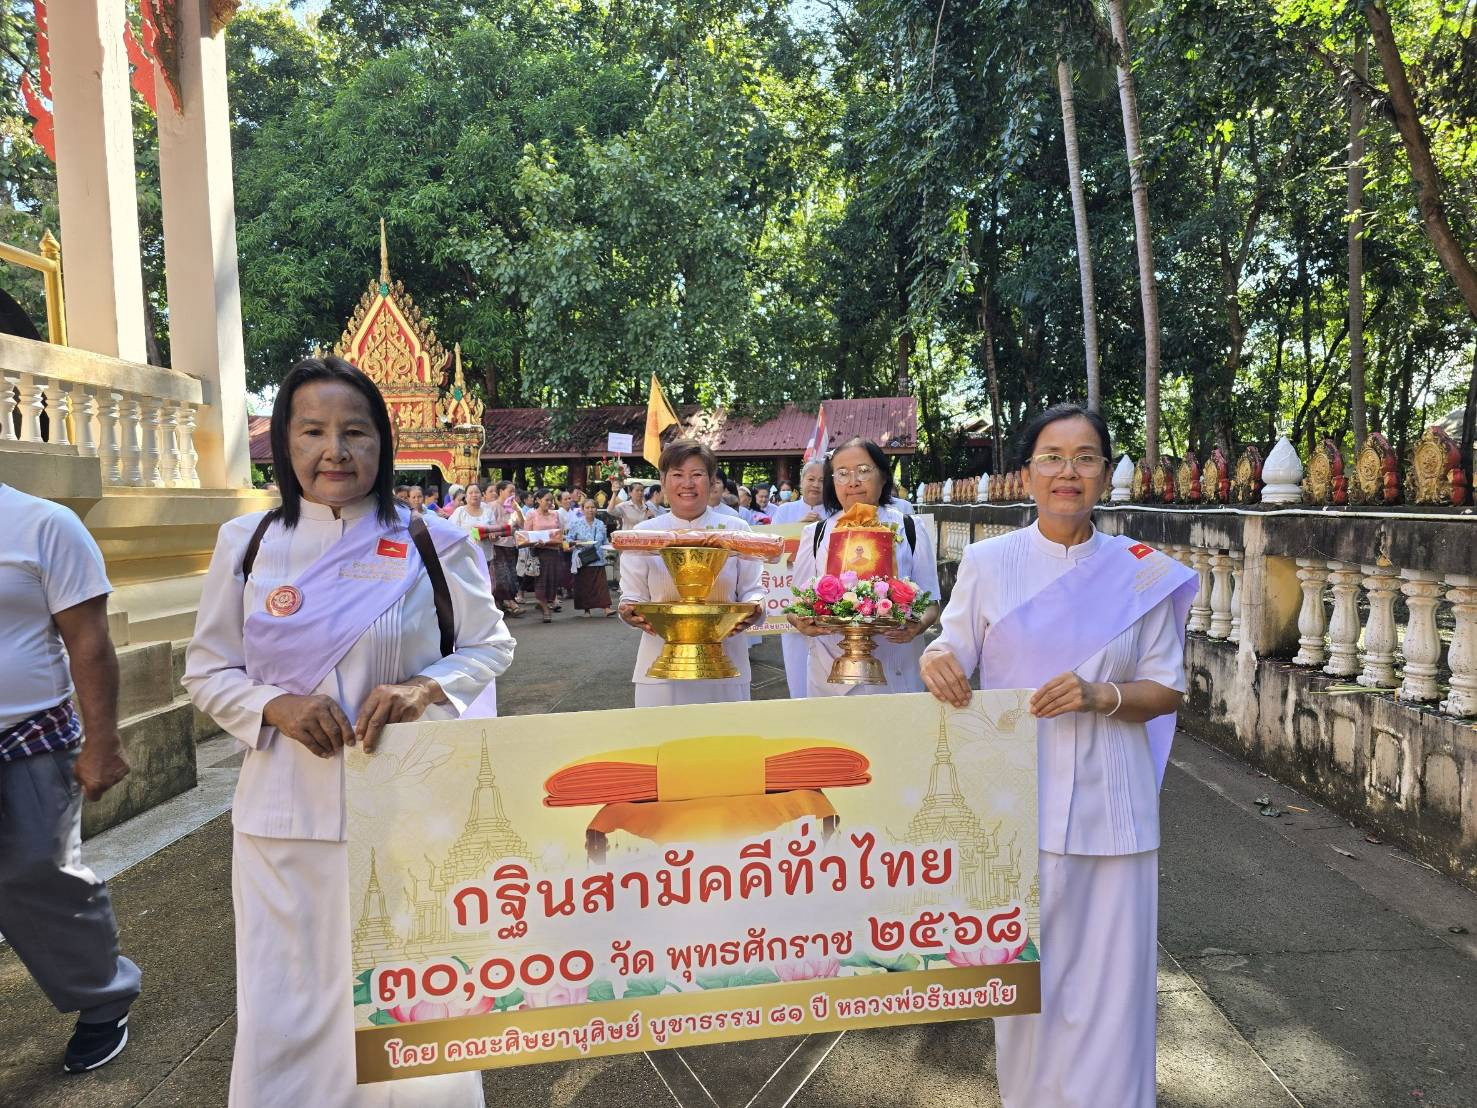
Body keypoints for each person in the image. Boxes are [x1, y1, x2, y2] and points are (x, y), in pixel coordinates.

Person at [183, 356, 514, 1107]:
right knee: (289, 1005)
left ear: (382, 444)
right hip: (285, 820)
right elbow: (207, 671)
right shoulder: (248, 544)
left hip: (408, 816)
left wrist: (426, 686)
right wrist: (275, 706)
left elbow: (491, 647)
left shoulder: (435, 542)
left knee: (414, 994)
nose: (335, 450)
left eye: (354, 432)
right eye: (313, 431)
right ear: (285, 446)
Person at [919, 403, 1196, 1108]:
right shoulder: (986, 563)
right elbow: (952, 647)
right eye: (1050, 456)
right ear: (1026, 471)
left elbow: (1164, 689)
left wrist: (1099, 694)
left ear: (1105, 473)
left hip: (1115, 807)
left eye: (1084, 457)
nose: (1066, 472)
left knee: (1113, 990)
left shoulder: (1142, 574)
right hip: (1016, 804)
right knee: (1026, 986)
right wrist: (934, 659)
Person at [0, 483, 139, 1073]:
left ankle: (102, 998)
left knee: (42, 872)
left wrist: (102, 739)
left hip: (25, 734)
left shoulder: (42, 524)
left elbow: (88, 640)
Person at [787, 437, 940, 696]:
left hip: (895, 669)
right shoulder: (815, 534)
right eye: (842, 474)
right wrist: (801, 622)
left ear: (883, 476)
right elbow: (796, 604)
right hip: (830, 674)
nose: (853, 481)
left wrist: (919, 625)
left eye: (864, 471)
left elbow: (932, 602)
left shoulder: (911, 528)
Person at [618, 440, 763, 706]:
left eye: (697, 475)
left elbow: (753, 590)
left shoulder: (736, 530)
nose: (687, 483)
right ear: (662, 481)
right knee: (660, 744)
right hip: (660, 665)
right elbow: (632, 595)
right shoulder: (643, 535)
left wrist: (755, 608)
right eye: (677, 475)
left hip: (726, 663)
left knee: (728, 743)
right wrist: (629, 612)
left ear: (711, 481)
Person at [769, 460, 830, 698]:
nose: (816, 485)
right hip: (790, 594)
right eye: (811, 479)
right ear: (801, 482)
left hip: (827, 597)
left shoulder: (838, 513)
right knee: (795, 662)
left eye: (823, 480)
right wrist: (800, 530)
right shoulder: (785, 511)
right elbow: (772, 550)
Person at [521, 489, 565, 623]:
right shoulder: (531, 514)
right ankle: (546, 609)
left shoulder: (555, 514)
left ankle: (544, 603)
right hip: (539, 553)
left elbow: (560, 533)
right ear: (538, 500)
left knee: (553, 580)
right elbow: (525, 536)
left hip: (553, 551)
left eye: (551, 500)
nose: (550, 502)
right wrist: (535, 542)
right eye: (547, 500)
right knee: (541, 581)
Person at [566, 498, 614, 617]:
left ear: (596, 509)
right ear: (582, 509)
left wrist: (612, 546)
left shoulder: (600, 523)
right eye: (587, 508)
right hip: (582, 559)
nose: (590, 510)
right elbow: (569, 540)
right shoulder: (576, 524)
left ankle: (606, 608)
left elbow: (604, 541)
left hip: (598, 558)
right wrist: (577, 543)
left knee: (601, 585)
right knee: (584, 585)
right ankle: (586, 610)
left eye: (592, 507)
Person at [488, 480, 525, 617]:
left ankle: (504, 603)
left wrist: (518, 510)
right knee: (502, 575)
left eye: (514, 491)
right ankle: (510, 603)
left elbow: (522, 525)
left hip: (511, 545)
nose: (513, 494)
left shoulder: (512, 507)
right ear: (501, 491)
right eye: (510, 491)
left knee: (511, 575)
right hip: (497, 545)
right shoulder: (492, 506)